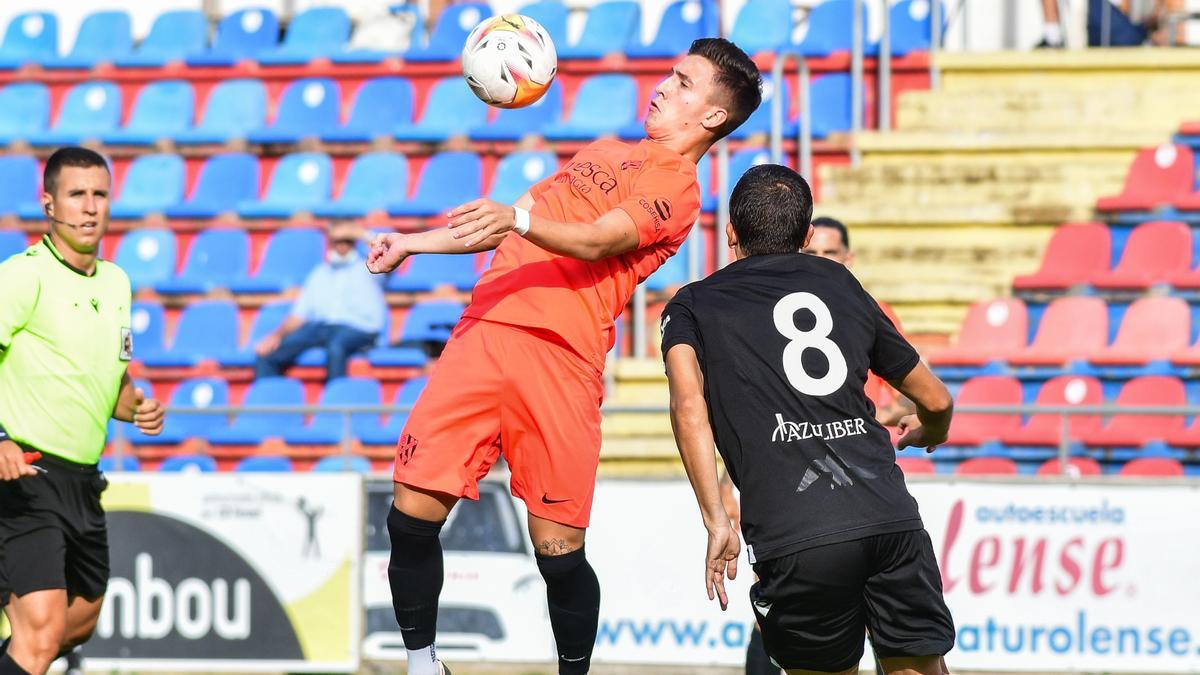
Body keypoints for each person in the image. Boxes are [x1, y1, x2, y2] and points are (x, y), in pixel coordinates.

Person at [365, 38, 762, 675]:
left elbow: (599, 239)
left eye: (683, 83)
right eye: (670, 74)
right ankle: (422, 662)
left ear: (713, 116)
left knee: (557, 549)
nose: (662, 86)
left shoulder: (679, 191)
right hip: (485, 329)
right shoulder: (604, 150)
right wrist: (413, 243)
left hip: (561, 359)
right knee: (409, 515)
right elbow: (505, 221)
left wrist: (518, 222)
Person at [662, 164, 956, 675]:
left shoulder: (693, 305)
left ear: (729, 232)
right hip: (889, 519)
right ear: (806, 236)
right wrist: (934, 431)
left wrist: (715, 518)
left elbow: (689, 407)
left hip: (797, 534)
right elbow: (936, 399)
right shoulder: (840, 282)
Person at [0, 147, 166, 675]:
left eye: (99, 194)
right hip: (24, 471)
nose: (90, 207)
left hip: (82, 481)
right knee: (43, 631)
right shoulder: (22, 276)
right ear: (49, 204)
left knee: (79, 622)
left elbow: (111, 373)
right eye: (76, 194)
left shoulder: (116, 282)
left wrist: (137, 406)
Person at [255, 221, 386, 382]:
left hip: (360, 329)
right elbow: (299, 315)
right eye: (337, 241)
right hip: (322, 328)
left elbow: (387, 254)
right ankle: (268, 402)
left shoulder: (369, 268)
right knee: (268, 354)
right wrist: (276, 336)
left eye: (347, 241)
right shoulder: (319, 273)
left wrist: (359, 233)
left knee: (336, 347)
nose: (342, 246)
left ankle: (334, 404)